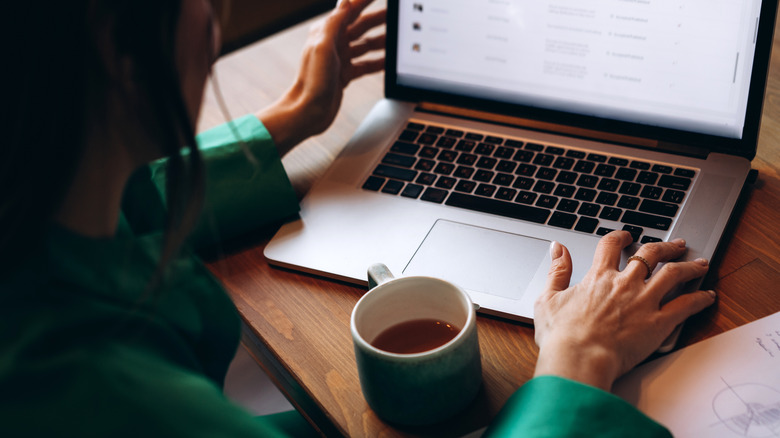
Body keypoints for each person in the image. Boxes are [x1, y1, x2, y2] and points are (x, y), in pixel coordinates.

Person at [0, 0, 715, 437]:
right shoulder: (112, 406)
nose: (211, 18)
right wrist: (576, 363)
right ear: (117, 48)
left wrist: (290, 120)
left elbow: (119, 199)